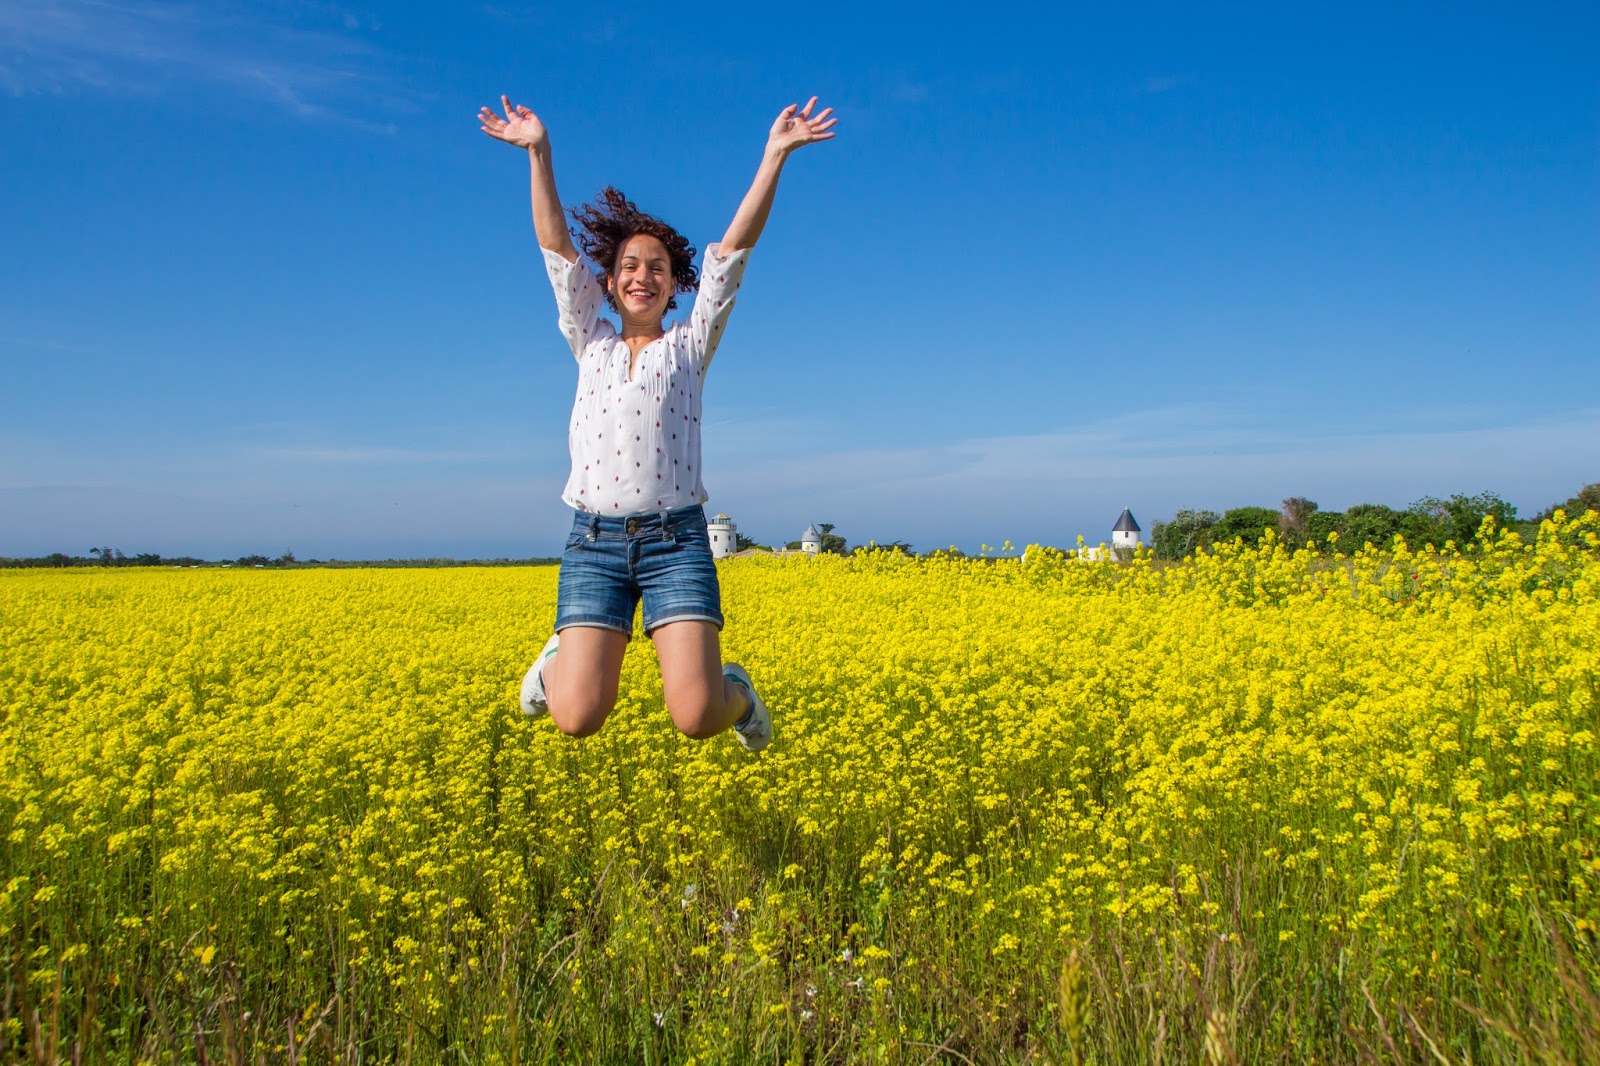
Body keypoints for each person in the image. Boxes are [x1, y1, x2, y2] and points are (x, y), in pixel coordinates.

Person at [477, 93, 837, 751]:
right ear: (609, 284)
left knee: (698, 717)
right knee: (578, 717)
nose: (642, 275)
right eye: (628, 267)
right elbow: (556, 250)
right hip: (595, 542)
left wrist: (774, 156)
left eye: (658, 268)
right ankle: (556, 665)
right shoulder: (590, 340)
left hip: (677, 541)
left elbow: (733, 252)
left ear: (675, 286)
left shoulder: (690, 345)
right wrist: (538, 152)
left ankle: (741, 693)